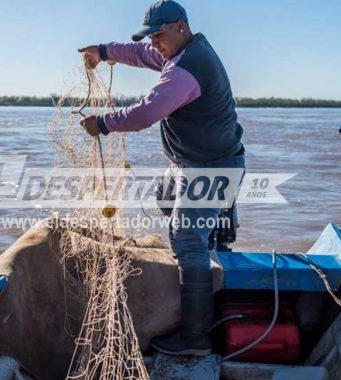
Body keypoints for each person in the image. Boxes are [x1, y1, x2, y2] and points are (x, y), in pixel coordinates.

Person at [78, 0, 244, 356]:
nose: (155, 44)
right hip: (192, 164)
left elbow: (146, 113)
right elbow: (139, 54)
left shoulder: (186, 68)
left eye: (159, 36)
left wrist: (103, 123)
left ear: (181, 27)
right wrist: (104, 51)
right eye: (151, 37)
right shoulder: (179, 51)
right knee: (166, 197)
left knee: (184, 237)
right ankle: (209, 244)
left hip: (212, 168)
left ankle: (195, 339)